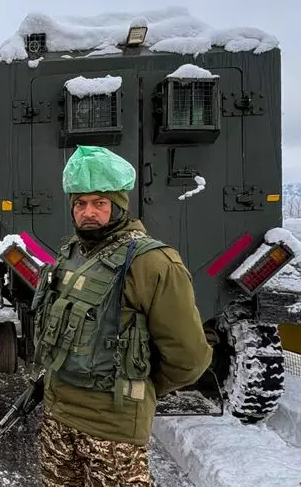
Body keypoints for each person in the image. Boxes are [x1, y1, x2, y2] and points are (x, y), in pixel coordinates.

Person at [33, 145, 212, 487]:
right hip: (58, 421)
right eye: (80, 204)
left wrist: (141, 384)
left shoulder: (153, 264)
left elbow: (189, 357)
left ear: (118, 206)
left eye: (100, 203)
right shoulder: (69, 255)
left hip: (113, 435)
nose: (88, 212)